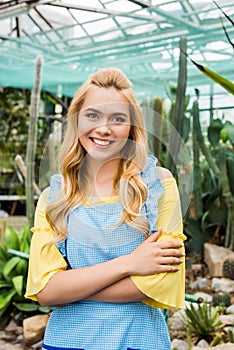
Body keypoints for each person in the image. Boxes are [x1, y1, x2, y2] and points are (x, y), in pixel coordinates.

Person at [25, 67, 186, 350]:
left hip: (138, 341)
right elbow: (45, 290)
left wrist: (70, 288)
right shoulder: (54, 198)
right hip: (66, 342)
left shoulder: (159, 186)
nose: (103, 128)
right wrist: (129, 264)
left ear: (131, 128)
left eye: (117, 118)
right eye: (92, 115)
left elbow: (158, 284)